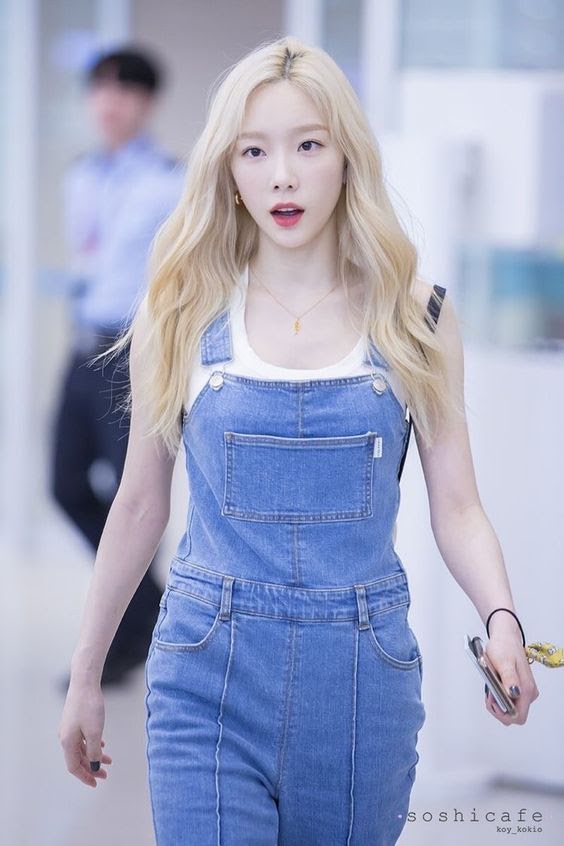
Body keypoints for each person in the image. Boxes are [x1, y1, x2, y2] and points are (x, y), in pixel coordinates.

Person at [58, 35, 539, 844]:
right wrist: (85, 674)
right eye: (254, 151)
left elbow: (457, 506)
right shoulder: (178, 313)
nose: (281, 175)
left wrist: (502, 620)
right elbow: (139, 504)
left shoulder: (417, 315)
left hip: (360, 681)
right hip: (205, 673)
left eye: (308, 145)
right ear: (228, 171)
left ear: (347, 157)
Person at [51, 47, 184, 687]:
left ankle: (133, 632)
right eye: (100, 88)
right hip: (82, 346)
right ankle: (152, 612)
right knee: (65, 485)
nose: (109, 102)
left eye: (125, 90)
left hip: (132, 352)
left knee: (136, 494)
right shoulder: (81, 177)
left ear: (147, 102)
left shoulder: (170, 182)